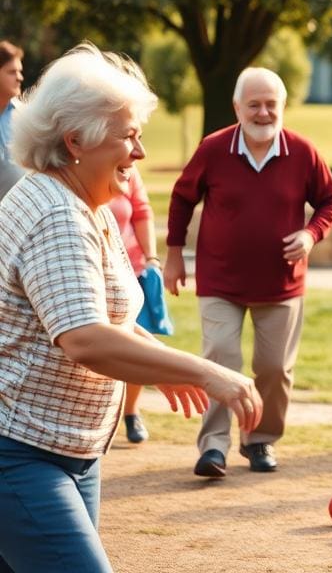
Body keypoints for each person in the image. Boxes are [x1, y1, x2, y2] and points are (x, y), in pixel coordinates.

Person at [0, 43, 263, 573]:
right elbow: (85, 338)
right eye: (128, 136)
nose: (140, 152)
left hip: (68, 450)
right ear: (75, 141)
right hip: (19, 453)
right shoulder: (58, 217)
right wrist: (208, 371)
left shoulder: (85, 206)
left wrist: (159, 361)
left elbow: (110, 319)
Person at [164, 67, 332, 478]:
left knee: (274, 368)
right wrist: (174, 255)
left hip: (282, 284)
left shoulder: (302, 152)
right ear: (237, 108)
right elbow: (181, 198)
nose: (263, 113)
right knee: (219, 359)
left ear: (282, 107)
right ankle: (213, 446)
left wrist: (311, 234)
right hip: (220, 280)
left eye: (271, 105)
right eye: (254, 105)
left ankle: (260, 439)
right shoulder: (213, 149)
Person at [107, 163, 169, 444]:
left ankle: (131, 411)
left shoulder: (127, 170)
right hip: (91, 270)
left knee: (137, 345)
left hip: (130, 270)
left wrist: (151, 259)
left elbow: (142, 212)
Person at [0, 41, 25, 199]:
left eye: (20, 71)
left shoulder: (26, 117)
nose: (19, 78)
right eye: (12, 72)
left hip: (22, 217)